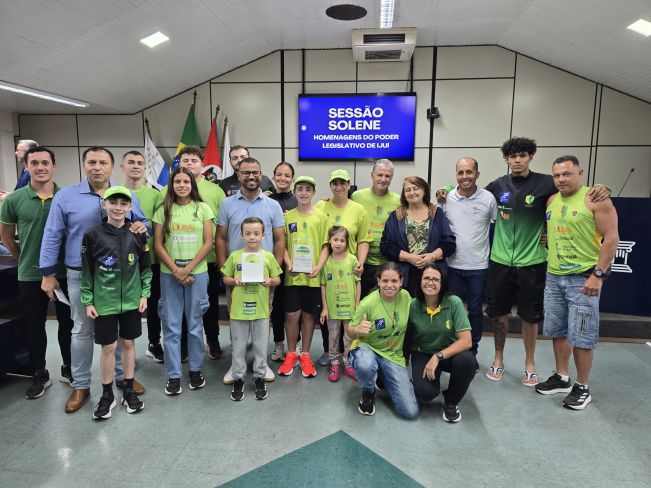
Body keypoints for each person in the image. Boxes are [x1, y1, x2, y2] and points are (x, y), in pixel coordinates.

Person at [437, 138, 609, 386]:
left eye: (522, 155)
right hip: (500, 262)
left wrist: (602, 187)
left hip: (532, 262)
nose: (517, 160)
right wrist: (443, 187)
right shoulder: (497, 186)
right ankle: (498, 359)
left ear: (530, 157)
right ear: (507, 159)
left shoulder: (547, 183)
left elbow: (575, 190)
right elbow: (467, 189)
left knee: (530, 316)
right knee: (499, 314)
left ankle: (530, 362)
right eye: (513, 156)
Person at [40, 146, 149, 414]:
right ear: (84, 165)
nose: (97, 167)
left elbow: (143, 224)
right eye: (91, 162)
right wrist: (48, 273)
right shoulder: (66, 196)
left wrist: (142, 225)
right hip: (82, 274)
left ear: (112, 167)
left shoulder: (125, 195)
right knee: (82, 330)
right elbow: (52, 234)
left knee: (121, 333)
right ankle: (81, 385)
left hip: (122, 277)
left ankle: (123, 379)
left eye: (102, 163)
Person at [535, 156, 618, 410]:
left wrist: (598, 275)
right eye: (557, 175)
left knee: (582, 336)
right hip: (554, 276)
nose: (561, 179)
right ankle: (562, 377)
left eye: (567, 174)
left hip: (583, 278)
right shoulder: (551, 200)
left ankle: (582, 387)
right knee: (558, 330)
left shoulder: (596, 199)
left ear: (580, 173)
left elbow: (611, 238)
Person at [0, 146, 74, 399]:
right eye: (34, 163)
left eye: (45, 162)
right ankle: (39, 373)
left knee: (68, 323)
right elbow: (6, 237)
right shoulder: (14, 200)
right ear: (27, 167)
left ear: (54, 166)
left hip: (64, 272)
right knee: (34, 326)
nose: (40, 167)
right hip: (31, 276)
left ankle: (68, 368)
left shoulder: (67, 197)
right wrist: (24, 260)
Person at [81, 186, 151, 419]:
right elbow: (87, 270)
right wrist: (88, 300)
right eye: (113, 203)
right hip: (104, 301)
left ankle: (129, 390)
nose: (118, 208)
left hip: (131, 300)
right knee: (108, 347)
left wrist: (144, 294)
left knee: (129, 343)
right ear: (104, 205)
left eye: (123, 203)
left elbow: (145, 267)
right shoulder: (92, 234)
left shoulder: (138, 233)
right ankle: (107, 394)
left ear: (130, 207)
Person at [216, 157, 285, 384]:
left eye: (255, 172)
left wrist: (274, 272)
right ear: (238, 175)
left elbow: (279, 240)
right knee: (237, 322)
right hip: (236, 278)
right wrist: (224, 271)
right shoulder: (227, 204)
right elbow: (221, 238)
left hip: (264, 279)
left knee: (262, 323)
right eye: (246, 172)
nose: (251, 176)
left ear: (261, 174)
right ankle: (236, 366)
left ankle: (261, 366)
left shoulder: (273, 205)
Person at [153, 167, 214, 396]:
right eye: (177, 181)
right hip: (169, 274)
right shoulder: (163, 210)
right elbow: (158, 244)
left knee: (195, 325)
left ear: (192, 184)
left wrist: (187, 269)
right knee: (171, 326)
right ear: (172, 185)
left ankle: (196, 370)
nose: (182, 185)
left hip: (197, 274)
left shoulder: (203, 208)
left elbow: (208, 243)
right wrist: (176, 270)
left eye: (186, 182)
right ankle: (174, 375)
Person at [440, 157, 496, 360]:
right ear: (456, 175)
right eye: (461, 172)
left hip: (478, 266)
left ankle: (472, 351)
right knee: (451, 310)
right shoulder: (446, 198)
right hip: (452, 265)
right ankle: (451, 348)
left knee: (475, 311)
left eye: (469, 172)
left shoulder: (488, 198)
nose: (465, 176)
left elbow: (500, 226)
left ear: (477, 174)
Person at [346, 261, 418, 419]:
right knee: (365, 364)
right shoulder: (367, 303)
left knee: (410, 412)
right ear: (378, 281)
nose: (389, 285)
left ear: (401, 282)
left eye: (394, 281)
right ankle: (368, 391)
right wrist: (357, 330)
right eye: (385, 280)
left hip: (393, 355)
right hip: (368, 349)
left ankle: (382, 376)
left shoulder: (406, 297)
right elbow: (349, 331)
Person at [405, 264, 475, 423]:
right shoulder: (412, 305)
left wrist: (437, 356)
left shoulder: (454, 302)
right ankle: (417, 382)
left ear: (442, 284)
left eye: (435, 279)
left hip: (449, 353)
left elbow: (466, 341)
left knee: (467, 361)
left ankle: (451, 402)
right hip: (423, 352)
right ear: (420, 282)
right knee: (426, 393)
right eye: (426, 278)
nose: (430, 282)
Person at [221, 217, 282, 401]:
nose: (252, 237)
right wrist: (234, 281)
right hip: (239, 310)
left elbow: (278, 279)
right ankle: (238, 377)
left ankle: (259, 376)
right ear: (241, 235)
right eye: (248, 233)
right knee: (238, 347)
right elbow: (225, 278)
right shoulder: (235, 256)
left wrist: (270, 281)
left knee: (260, 346)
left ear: (263, 235)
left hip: (261, 310)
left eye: (256, 233)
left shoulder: (268, 257)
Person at [315, 169, 371, 366]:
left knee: (348, 315)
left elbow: (363, 239)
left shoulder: (358, 209)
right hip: (328, 265)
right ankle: (329, 352)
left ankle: (347, 356)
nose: (338, 187)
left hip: (349, 267)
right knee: (329, 313)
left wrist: (360, 262)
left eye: (342, 183)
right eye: (335, 183)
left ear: (348, 185)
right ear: (330, 186)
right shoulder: (321, 206)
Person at [175, 145, 226, 360]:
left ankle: (212, 340)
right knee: (181, 308)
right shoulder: (169, 189)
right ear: (179, 164)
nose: (189, 164)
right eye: (185, 160)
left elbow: (223, 226)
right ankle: (184, 345)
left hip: (209, 259)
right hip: (178, 262)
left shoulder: (215, 191)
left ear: (202, 165)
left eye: (194, 160)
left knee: (209, 305)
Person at [277, 176, 327, 378]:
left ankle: (305, 355)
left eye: (308, 189)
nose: (304, 193)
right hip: (293, 276)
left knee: (308, 316)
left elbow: (326, 246)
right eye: (300, 189)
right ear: (295, 192)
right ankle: (291, 354)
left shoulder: (321, 217)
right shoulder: (287, 217)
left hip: (313, 277)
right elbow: (281, 245)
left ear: (313, 192)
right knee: (291, 316)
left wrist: (319, 266)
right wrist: (288, 263)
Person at [120, 150, 164, 363]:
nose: (136, 166)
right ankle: (125, 352)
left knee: (153, 305)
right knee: (125, 308)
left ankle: (154, 343)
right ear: (122, 167)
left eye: (140, 162)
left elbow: (159, 227)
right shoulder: (115, 192)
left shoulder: (155, 195)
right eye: (131, 162)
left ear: (145, 167)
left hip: (149, 261)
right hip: (121, 263)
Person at [380, 176, 456, 296]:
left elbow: (449, 243)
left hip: (433, 272)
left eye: (416, 188)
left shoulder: (437, 214)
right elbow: (385, 246)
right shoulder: (396, 216)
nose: (412, 193)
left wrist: (432, 256)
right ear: (404, 194)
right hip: (405, 274)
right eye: (408, 190)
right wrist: (409, 257)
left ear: (424, 191)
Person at [351, 159, 401, 297]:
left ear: (392, 177)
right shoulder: (356, 197)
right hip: (361, 263)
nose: (383, 179)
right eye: (379, 175)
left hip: (387, 264)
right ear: (372, 175)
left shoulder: (398, 201)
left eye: (387, 176)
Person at [319, 226, 361, 382]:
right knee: (334, 336)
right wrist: (325, 308)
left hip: (349, 308)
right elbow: (323, 285)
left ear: (347, 242)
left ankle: (348, 364)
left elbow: (357, 283)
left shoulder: (352, 260)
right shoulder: (326, 262)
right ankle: (334, 364)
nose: (338, 243)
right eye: (335, 239)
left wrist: (357, 305)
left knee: (349, 337)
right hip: (332, 309)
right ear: (329, 241)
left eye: (342, 240)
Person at [268, 162, 298, 361]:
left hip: (296, 262)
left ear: (292, 179)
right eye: (279, 174)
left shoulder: (298, 200)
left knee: (295, 307)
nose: (283, 178)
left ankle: (297, 345)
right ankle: (279, 344)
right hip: (274, 260)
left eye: (287, 175)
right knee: (277, 306)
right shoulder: (266, 200)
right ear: (273, 176)